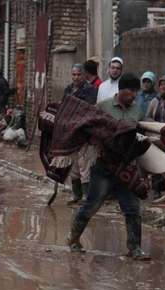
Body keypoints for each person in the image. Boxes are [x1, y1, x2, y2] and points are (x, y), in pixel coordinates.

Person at [68, 73, 150, 260]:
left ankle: (134, 247)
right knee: (92, 205)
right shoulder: (102, 107)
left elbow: (141, 137)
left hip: (126, 168)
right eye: (131, 91)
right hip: (104, 166)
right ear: (121, 90)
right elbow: (88, 130)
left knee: (132, 208)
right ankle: (73, 238)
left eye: (136, 92)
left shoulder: (137, 111)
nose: (134, 95)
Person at [63, 63, 98, 205]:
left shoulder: (90, 90)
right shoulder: (68, 89)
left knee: (84, 164)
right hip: (71, 132)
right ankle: (76, 194)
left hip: (84, 132)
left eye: (79, 74)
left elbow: (87, 109)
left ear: (84, 75)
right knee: (73, 165)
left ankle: (86, 196)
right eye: (74, 74)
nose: (76, 77)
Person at [145, 75, 165, 202]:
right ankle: (157, 190)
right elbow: (147, 117)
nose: (163, 87)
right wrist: (157, 126)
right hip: (157, 137)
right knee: (157, 164)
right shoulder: (155, 101)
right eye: (161, 85)